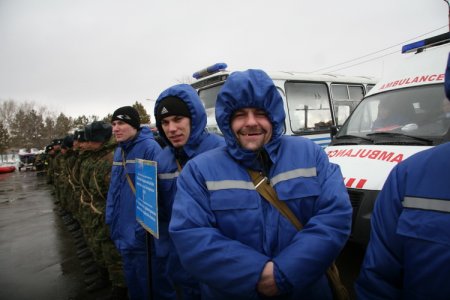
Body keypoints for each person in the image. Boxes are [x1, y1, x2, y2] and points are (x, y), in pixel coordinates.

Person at [169, 69, 352, 299]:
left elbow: (334, 216)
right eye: (240, 114)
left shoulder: (311, 154)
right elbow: (191, 235)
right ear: (227, 120)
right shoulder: (199, 171)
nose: (251, 122)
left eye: (260, 113)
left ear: (274, 115)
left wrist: (285, 273)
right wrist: (256, 275)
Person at [355, 56, 450, 300]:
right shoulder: (410, 174)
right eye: (381, 108)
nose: (382, 110)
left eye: (384, 108)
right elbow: (380, 279)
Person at [153, 84, 225, 299]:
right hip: (181, 265)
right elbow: (162, 215)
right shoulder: (162, 160)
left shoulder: (221, 151)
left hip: (220, 263)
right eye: (165, 122)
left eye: (178, 119)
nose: (171, 128)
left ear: (194, 118)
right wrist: (164, 252)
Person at [106, 106, 162, 300]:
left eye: (121, 123)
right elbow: (114, 189)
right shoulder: (119, 151)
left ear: (134, 125)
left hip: (140, 238)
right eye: (113, 124)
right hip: (122, 232)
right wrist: (111, 218)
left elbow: (153, 197)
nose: (115, 128)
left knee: (150, 287)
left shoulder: (149, 148)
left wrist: (141, 232)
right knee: (133, 284)